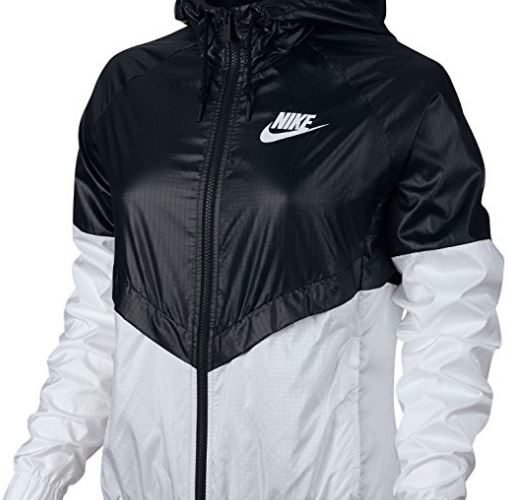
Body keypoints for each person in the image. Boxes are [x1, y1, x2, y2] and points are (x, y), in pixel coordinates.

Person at [4, 1, 503, 499]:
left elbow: (452, 317)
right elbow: (99, 313)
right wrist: (37, 478)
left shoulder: (397, 89)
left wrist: (431, 488)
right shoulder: (130, 85)